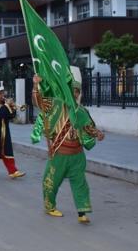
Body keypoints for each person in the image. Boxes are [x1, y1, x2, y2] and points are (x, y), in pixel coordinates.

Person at [33, 68, 105, 223]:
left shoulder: (81, 111)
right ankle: (49, 206)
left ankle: (82, 212)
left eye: (77, 91)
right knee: (50, 182)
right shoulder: (56, 105)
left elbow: (88, 127)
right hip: (59, 154)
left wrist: (97, 133)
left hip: (77, 156)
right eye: (73, 91)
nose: (75, 94)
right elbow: (39, 102)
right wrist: (35, 86)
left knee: (80, 184)